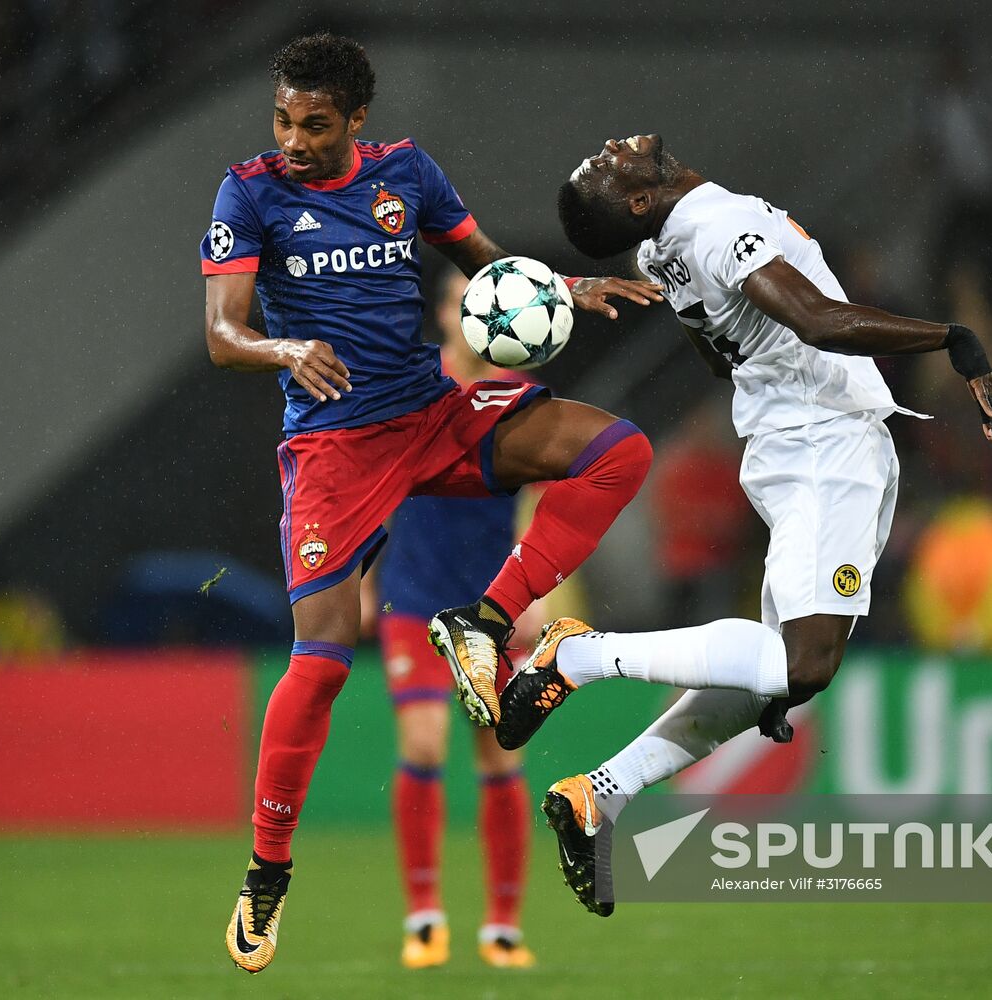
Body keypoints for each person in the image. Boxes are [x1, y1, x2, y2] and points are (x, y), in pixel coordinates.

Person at [202, 38, 661, 973]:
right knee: (322, 665)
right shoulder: (248, 193)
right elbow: (220, 333)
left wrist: (562, 288)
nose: (293, 138)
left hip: (432, 413)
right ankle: (266, 873)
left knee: (618, 450)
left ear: (355, 119)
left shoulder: (406, 174)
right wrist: (283, 352)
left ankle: (485, 620)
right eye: (283, 119)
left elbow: (489, 269)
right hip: (334, 446)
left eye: (315, 124)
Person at [493, 134, 992, 916]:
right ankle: (582, 655)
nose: (608, 147)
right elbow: (819, 321)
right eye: (603, 165)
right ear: (637, 199)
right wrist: (949, 338)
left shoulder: (660, 249)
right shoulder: (711, 224)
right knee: (801, 669)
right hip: (821, 446)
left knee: (773, 672)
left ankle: (603, 793)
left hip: (792, 438)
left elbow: (713, 354)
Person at [360, 270, 542, 969]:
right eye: (464, 301)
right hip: (413, 595)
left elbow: (540, 497)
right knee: (427, 743)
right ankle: (425, 916)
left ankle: (502, 927)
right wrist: (364, 572)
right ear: (443, 313)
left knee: (500, 754)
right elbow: (375, 480)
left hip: (492, 605)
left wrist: (539, 586)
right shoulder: (413, 387)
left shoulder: (520, 398)